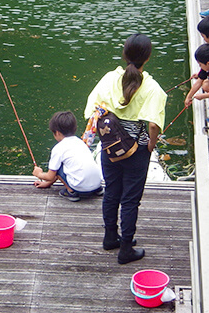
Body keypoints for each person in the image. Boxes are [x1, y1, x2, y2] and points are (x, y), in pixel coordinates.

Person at [84, 34, 166, 264]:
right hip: (136, 151)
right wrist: (151, 144)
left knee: (111, 191)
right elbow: (153, 124)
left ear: (124, 53)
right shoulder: (151, 87)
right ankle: (126, 248)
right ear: (147, 57)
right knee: (130, 199)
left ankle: (110, 236)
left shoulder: (110, 78)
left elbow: (91, 109)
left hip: (110, 146)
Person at [32, 111, 103, 202]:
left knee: (57, 166)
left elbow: (51, 175)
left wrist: (39, 174)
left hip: (80, 188)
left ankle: (71, 192)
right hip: (97, 183)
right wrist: (48, 183)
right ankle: (97, 190)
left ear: (57, 133)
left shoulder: (58, 148)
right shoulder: (80, 142)